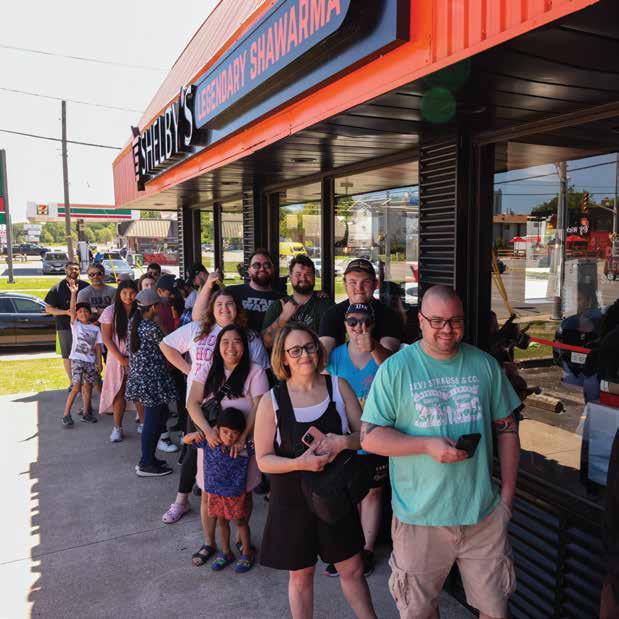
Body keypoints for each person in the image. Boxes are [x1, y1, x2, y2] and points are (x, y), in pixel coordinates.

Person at [360, 285, 521, 619]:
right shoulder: (396, 369)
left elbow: (507, 430)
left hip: (482, 516)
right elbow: (370, 438)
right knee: (419, 611)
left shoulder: (485, 365)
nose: (447, 329)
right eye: (437, 321)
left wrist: (506, 497)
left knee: (494, 610)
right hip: (419, 519)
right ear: (420, 321)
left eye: (455, 321)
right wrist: (425, 445)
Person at [254, 323, 377, 619]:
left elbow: (367, 436)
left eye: (309, 347)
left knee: (352, 569)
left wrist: (342, 442)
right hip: (291, 500)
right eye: (295, 350)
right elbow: (263, 460)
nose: (304, 355)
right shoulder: (272, 400)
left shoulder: (338, 387)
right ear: (283, 358)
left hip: (335, 497)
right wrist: (299, 463)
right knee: (301, 576)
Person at [159, 287, 269, 525]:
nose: (224, 309)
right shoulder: (198, 329)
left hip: (239, 414)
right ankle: (181, 500)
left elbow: (258, 374)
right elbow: (166, 345)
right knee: (193, 454)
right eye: (219, 304)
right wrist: (189, 370)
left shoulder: (250, 337)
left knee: (236, 456)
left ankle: (237, 518)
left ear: (237, 308)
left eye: (229, 304)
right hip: (203, 408)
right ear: (211, 308)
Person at [186, 325, 269, 572]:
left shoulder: (255, 371)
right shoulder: (207, 369)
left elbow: (260, 406)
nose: (231, 347)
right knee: (208, 493)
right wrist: (208, 432)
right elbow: (192, 403)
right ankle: (210, 543)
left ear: (245, 346)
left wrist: (244, 437)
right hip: (213, 446)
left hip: (243, 446)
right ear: (218, 346)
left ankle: (243, 542)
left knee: (244, 493)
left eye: (237, 342)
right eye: (225, 342)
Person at [325, 302, 388, 578]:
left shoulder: (381, 353)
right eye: (353, 322)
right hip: (345, 435)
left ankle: (367, 550)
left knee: (373, 493)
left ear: (373, 324)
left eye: (365, 321)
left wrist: (374, 348)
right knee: (347, 493)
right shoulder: (336, 356)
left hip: (377, 434)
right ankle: (348, 549)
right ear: (344, 325)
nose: (359, 327)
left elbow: (394, 372)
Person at [183, 408, 254, 573]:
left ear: (240, 433)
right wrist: (199, 434)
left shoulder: (244, 447)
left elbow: (261, 445)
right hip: (215, 492)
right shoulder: (210, 441)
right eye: (225, 431)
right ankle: (226, 552)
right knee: (222, 522)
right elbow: (186, 440)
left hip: (235, 494)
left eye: (234, 433)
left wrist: (243, 440)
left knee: (241, 522)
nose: (229, 436)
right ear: (218, 429)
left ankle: (247, 553)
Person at [125, 288, 177, 475]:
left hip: (142, 379)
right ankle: (146, 463)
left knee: (158, 417)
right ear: (154, 307)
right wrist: (161, 323)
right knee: (152, 421)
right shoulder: (151, 327)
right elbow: (169, 345)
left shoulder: (134, 322)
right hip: (152, 381)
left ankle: (150, 458)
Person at [319, 259, 402, 362]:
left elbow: (390, 363)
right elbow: (323, 356)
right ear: (345, 284)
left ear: (375, 284)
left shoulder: (389, 315)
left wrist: (374, 347)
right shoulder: (332, 314)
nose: (359, 288)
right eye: (352, 282)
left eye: (366, 282)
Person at [99, 279, 144, 441]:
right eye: (124, 293)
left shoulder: (141, 310)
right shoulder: (110, 312)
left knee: (139, 392)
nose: (128, 296)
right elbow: (106, 338)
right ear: (119, 293)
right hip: (116, 357)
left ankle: (143, 424)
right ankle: (117, 427)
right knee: (119, 392)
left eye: (132, 293)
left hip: (138, 357)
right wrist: (121, 359)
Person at [262, 254, 334, 350]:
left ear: (314, 277)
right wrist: (283, 317)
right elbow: (266, 343)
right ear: (290, 276)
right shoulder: (278, 306)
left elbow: (332, 342)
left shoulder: (326, 305)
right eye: (298, 274)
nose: (303, 278)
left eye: (308, 274)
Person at [62, 280, 103, 427]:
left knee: (88, 387)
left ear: (90, 314)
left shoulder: (95, 329)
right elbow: (72, 310)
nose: (83, 313)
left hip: (90, 362)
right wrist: (73, 293)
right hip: (78, 360)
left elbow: (98, 346)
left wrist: (99, 362)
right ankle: (66, 414)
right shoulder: (76, 326)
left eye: (85, 311)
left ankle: (86, 413)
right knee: (76, 386)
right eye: (80, 312)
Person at [44, 261, 89, 385]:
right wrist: (65, 312)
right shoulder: (57, 288)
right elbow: (48, 309)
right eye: (71, 269)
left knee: (85, 353)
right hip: (64, 327)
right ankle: (72, 382)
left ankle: (86, 381)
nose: (74, 271)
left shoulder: (86, 286)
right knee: (67, 355)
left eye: (76, 269)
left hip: (84, 326)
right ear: (65, 270)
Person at [226, 249, 283, 332]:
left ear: (273, 269)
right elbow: (206, 314)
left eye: (267, 265)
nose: (262, 269)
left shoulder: (282, 300)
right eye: (256, 265)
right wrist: (208, 286)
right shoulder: (232, 292)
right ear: (249, 270)